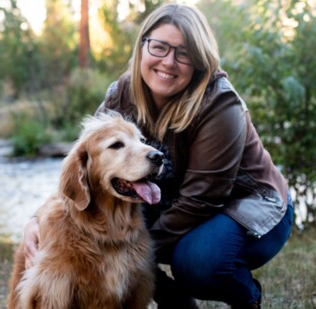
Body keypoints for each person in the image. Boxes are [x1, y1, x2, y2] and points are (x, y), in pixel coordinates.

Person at [21, 3, 293, 309]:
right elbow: (85, 167)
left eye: (184, 53)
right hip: (169, 200)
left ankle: (246, 298)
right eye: (160, 47)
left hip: (249, 209)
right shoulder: (120, 94)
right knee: (100, 227)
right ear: (142, 46)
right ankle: (175, 300)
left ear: (199, 61)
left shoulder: (221, 104)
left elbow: (201, 200)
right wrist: (38, 220)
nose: (169, 62)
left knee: (196, 263)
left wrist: (128, 247)